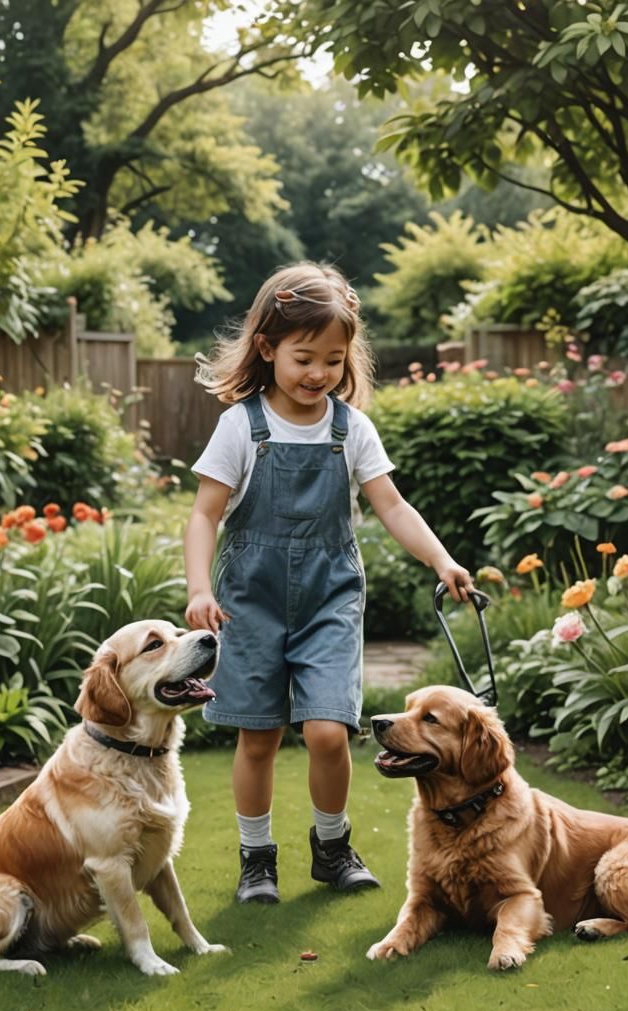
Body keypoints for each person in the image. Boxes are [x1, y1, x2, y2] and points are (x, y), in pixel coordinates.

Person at [184, 261, 473, 904]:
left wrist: (443, 561)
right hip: (247, 603)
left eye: (333, 361)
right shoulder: (241, 426)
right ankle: (257, 857)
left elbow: (392, 506)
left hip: (329, 598)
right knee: (257, 736)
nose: (319, 374)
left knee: (326, 730)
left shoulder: (352, 429)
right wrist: (199, 588)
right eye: (304, 358)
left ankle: (333, 846)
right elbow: (205, 514)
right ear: (268, 348)